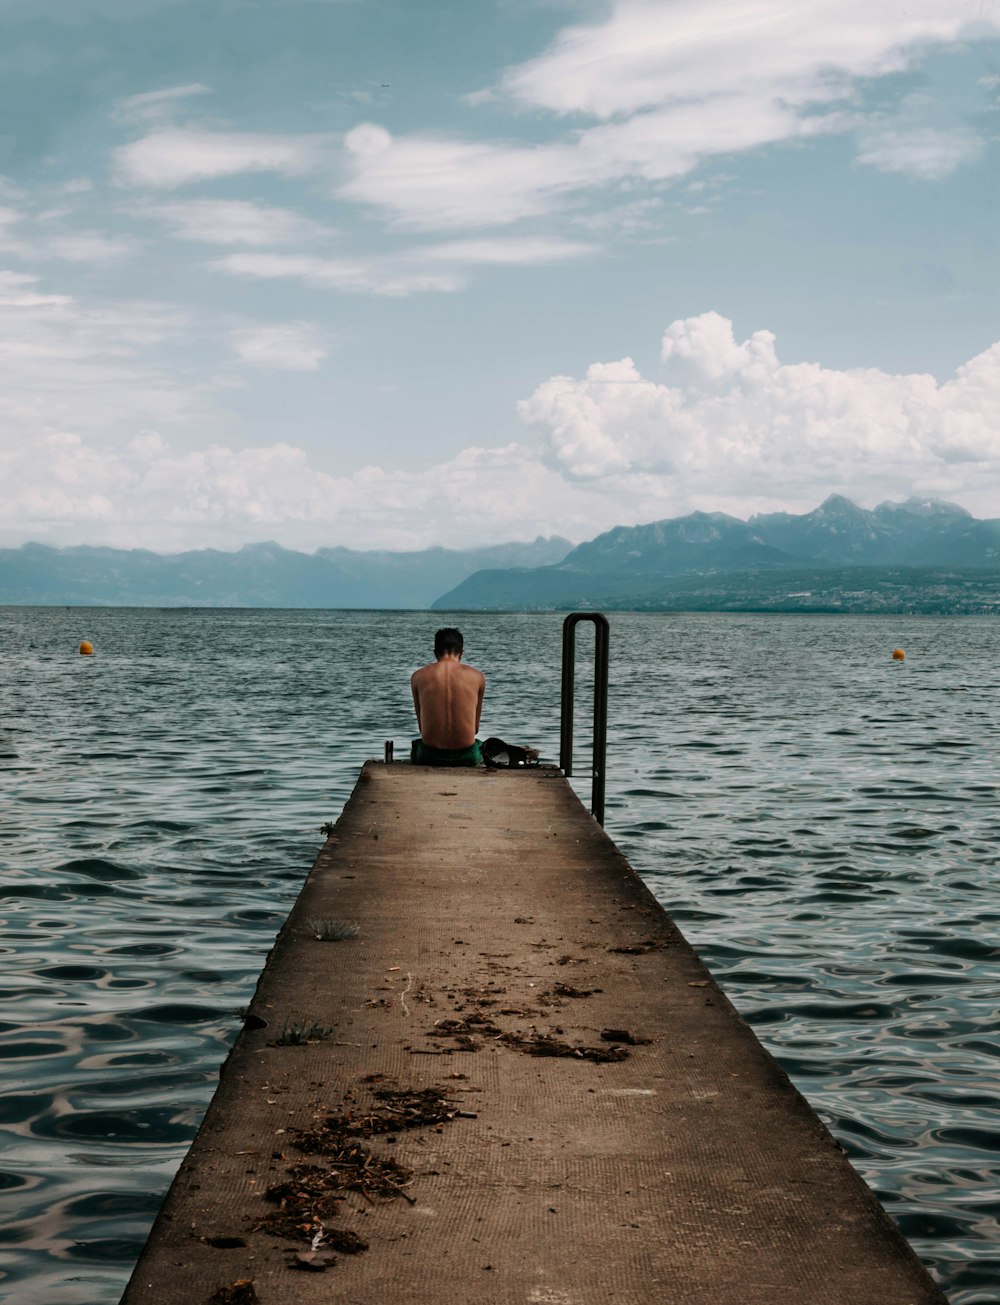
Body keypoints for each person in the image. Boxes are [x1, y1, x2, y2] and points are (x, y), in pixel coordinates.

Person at [410, 628, 485, 766]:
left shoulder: (418, 676)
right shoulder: (477, 676)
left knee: (417, 746)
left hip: (429, 755)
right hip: (467, 755)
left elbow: (422, 728)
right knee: (483, 746)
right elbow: (475, 729)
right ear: (461, 654)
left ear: (434, 653)